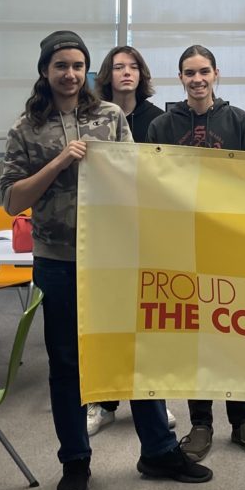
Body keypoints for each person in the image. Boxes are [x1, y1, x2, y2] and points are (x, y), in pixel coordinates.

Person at [0, 30, 211, 490]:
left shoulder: (110, 116)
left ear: (88, 71)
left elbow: (137, 177)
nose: (70, 74)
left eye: (78, 66)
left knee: (136, 354)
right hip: (58, 260)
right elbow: (13, 199)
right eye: (61, 66)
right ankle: (75, 462)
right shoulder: (26, 129)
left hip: (114, 258)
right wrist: (58, 163)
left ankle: (157, 451)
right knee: (67, 365)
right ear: (45, 72)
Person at [147, 45, 245, 463]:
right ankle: (200, 423)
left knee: (237, 332)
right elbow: (153, 183)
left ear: (216, 74)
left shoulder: (237, 120)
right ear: (179, 78)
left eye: (204, 72)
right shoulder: (162, 126)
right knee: (195, 335)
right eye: (189, 73)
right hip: (183, 243)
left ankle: (242, 421)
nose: (197, 79)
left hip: (230, 240)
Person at [86, 44, 175, 438]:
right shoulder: (90, 117)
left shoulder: (159, 119)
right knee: (107, 320)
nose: (126, 73)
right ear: (107, 74)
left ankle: (156, 398)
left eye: (133, 66)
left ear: (142, 74)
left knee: (149, 319)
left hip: (146, 230)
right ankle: (104, 402)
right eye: (118, 67)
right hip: (105, 231)